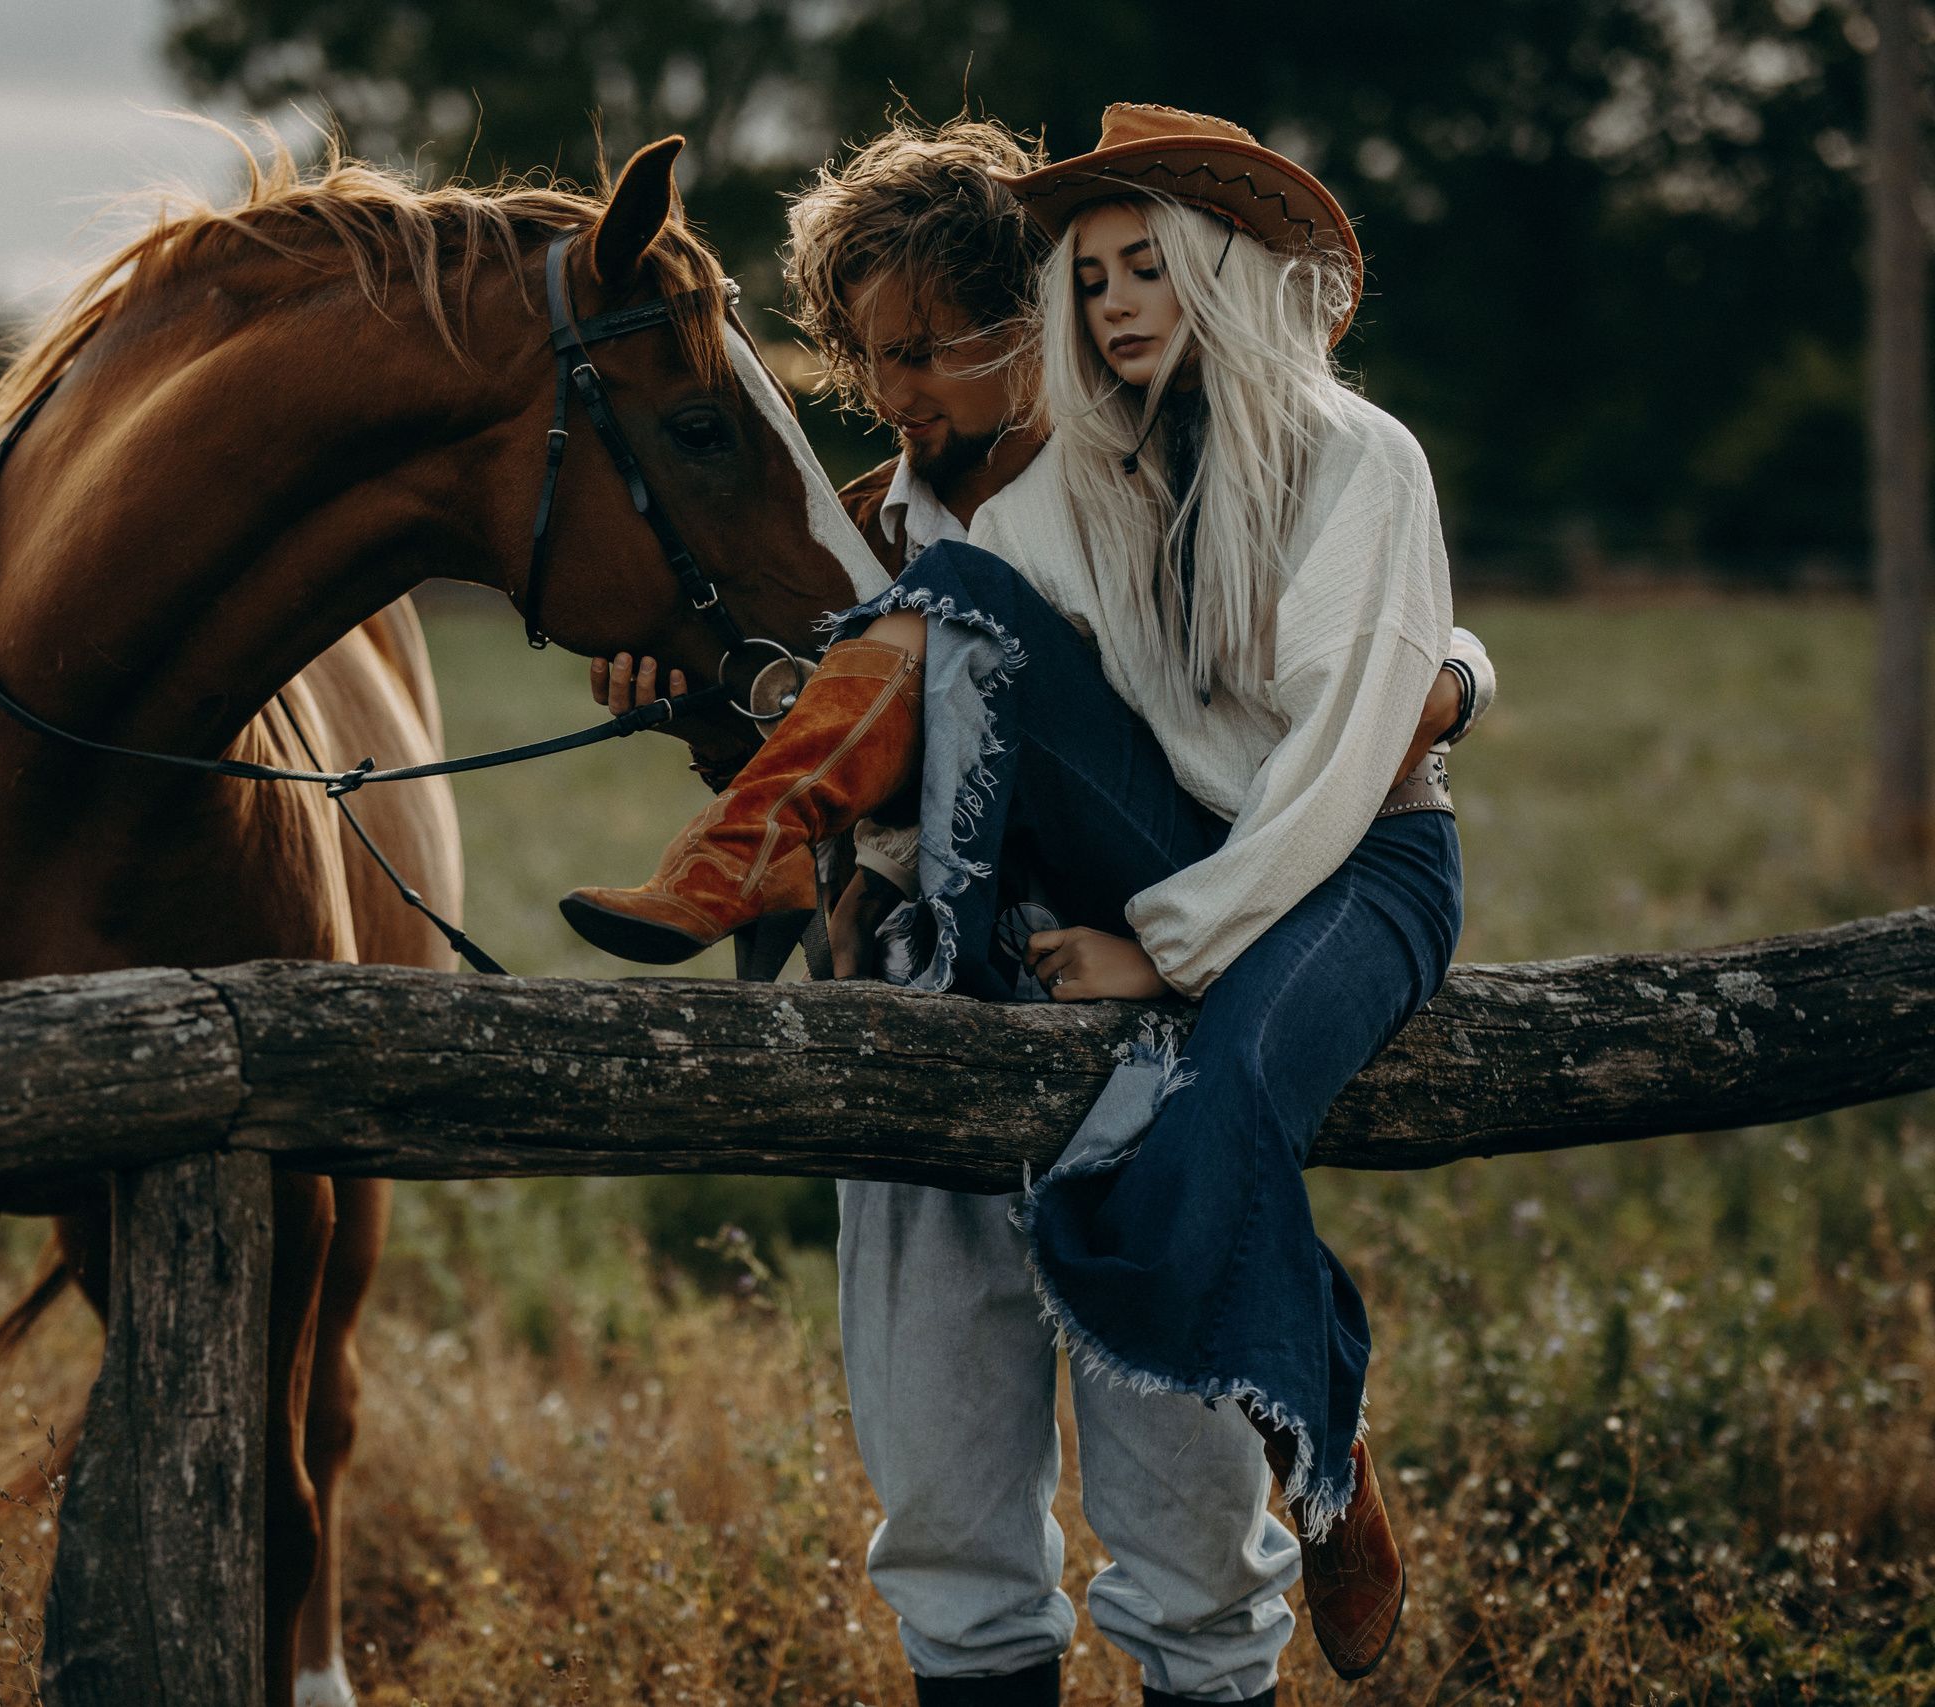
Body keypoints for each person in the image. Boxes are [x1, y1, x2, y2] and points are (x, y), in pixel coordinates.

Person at [571, 107, 1494, 1705]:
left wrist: (1462, 682)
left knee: (1192, 1538)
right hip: (925, 1010)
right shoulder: (859, 528)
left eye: (928, 350)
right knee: (943, 1518)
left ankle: (1306, 1436)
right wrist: (686, 706)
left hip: (1124, 1010)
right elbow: (826, 711)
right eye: (872, 366)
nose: (898, 396)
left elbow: (1365, 658)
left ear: (1031, 320)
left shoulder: (1159, 462)